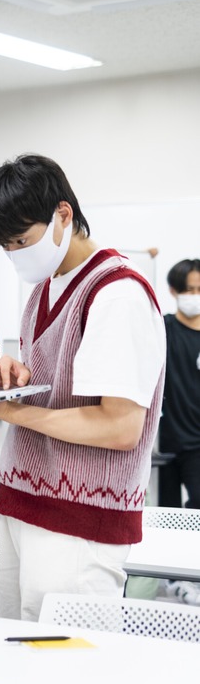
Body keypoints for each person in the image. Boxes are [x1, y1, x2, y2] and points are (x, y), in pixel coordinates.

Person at [0, 154, 165, 622]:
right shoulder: (46, 285)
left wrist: (12, 412)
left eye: (21, 239)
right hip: (26, 504)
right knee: (16, 656)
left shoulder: (116, 293)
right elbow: (64, 386)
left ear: (63, 215)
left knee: (66, 674)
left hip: (79, 517)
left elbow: (119, 426)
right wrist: (15, 379)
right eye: (5, 246)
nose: (14, 253)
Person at [158, 258, 200, 604]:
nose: (195, 296)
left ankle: (192, 577)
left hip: (198, 443)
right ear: (174, 291)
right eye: (189, 290)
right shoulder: (164, 328)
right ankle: (173, 582)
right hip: (168, 441)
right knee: (168, 517)